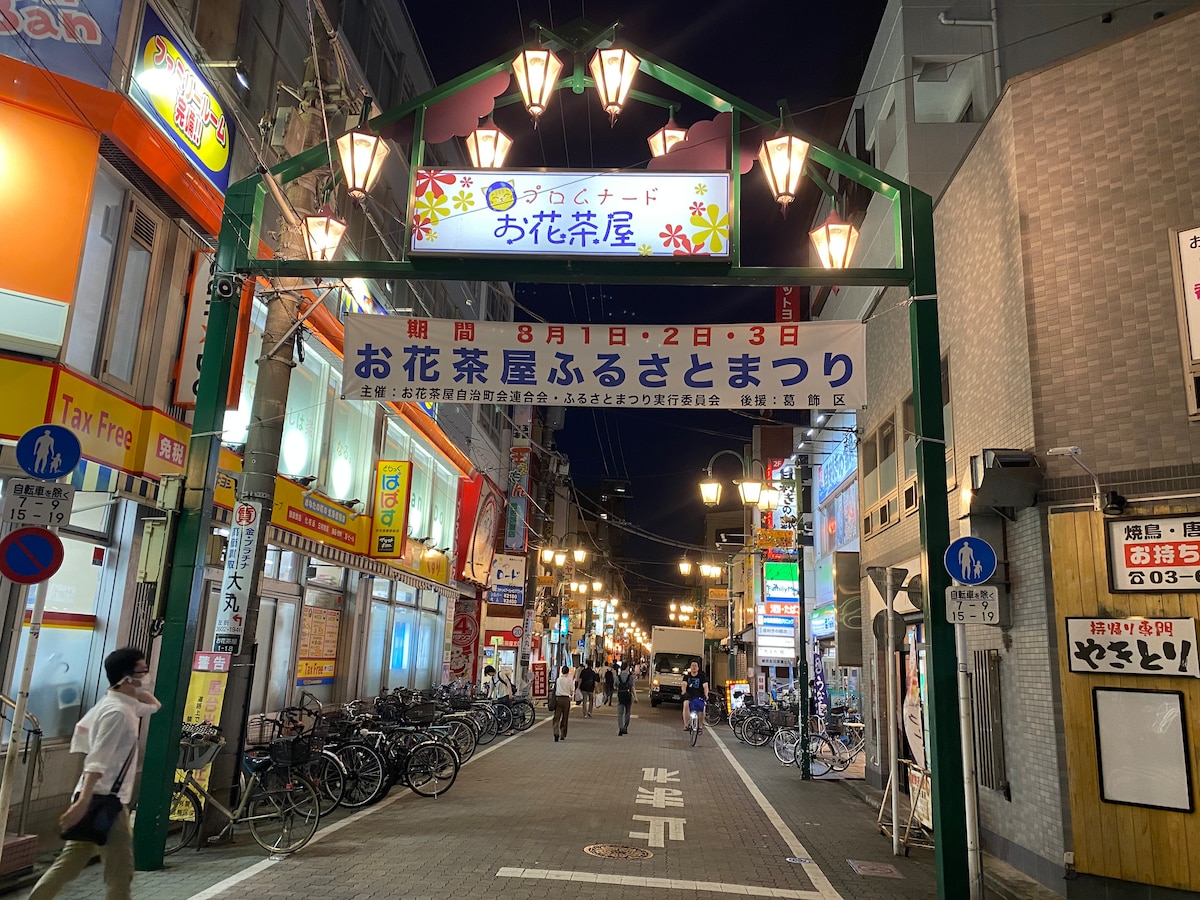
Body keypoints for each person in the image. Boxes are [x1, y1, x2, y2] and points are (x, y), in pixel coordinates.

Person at [30, 647, 161, 900]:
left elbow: (154, 706)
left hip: (100, 798)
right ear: (127, 678)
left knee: (71, 862)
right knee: (121, 870)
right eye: (142, 671)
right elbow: (96, 761)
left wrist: (139, 690)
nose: (147, 676)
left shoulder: (122, 705)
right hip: (104, 800)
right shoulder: (117, 713)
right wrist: (82, 802)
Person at [681, 658, 709, 734]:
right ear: (690, 667)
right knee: (686, 704)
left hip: (699, 696)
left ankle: (700, 726)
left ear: (698, 668)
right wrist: (684, 692)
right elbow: (684, 684)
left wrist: (706, 694)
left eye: (695, 666)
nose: (694, 667)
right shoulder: (687, 676)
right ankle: (686, 725)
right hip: (689, 696)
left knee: (702, 709)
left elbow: (705, 686)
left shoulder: (702, 676)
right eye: (692, 665)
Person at [552, 665, 574, 741]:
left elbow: (555, 689)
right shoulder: (569, 680)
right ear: (568, 672)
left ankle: (556, 732)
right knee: (565, 718)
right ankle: (563, 734)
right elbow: (571, 692)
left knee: (556, 717)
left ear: (562, 672)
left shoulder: (558, 680)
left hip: (558, 699)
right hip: (566, 700)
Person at [614, 661, 636, 735]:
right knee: (627, 712)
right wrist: (635, 697)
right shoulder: (630, 677)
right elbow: (632, 688)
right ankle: (625, 727)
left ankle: (620, 728)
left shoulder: (618, 677)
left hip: (620, 696)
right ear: (627, 668)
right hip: (628, 696)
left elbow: (615, 686)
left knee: (620, 713)